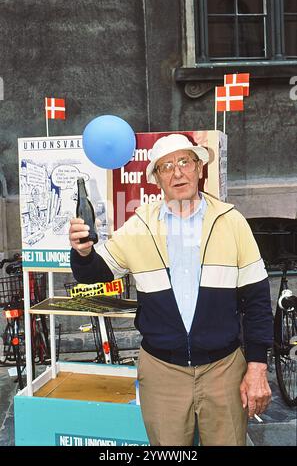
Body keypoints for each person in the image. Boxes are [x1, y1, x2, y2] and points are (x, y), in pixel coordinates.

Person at [69, 133, 273, 446]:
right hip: (162, 373)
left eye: (184, 162)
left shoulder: (231, 222)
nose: (177, 172)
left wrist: (257, 368)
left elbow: (257, 300)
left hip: (224, 370)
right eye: (166, 167)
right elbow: (94, 273)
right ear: (156, 180)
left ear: (200, 168)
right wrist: (82, 252)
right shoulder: (140, 225)